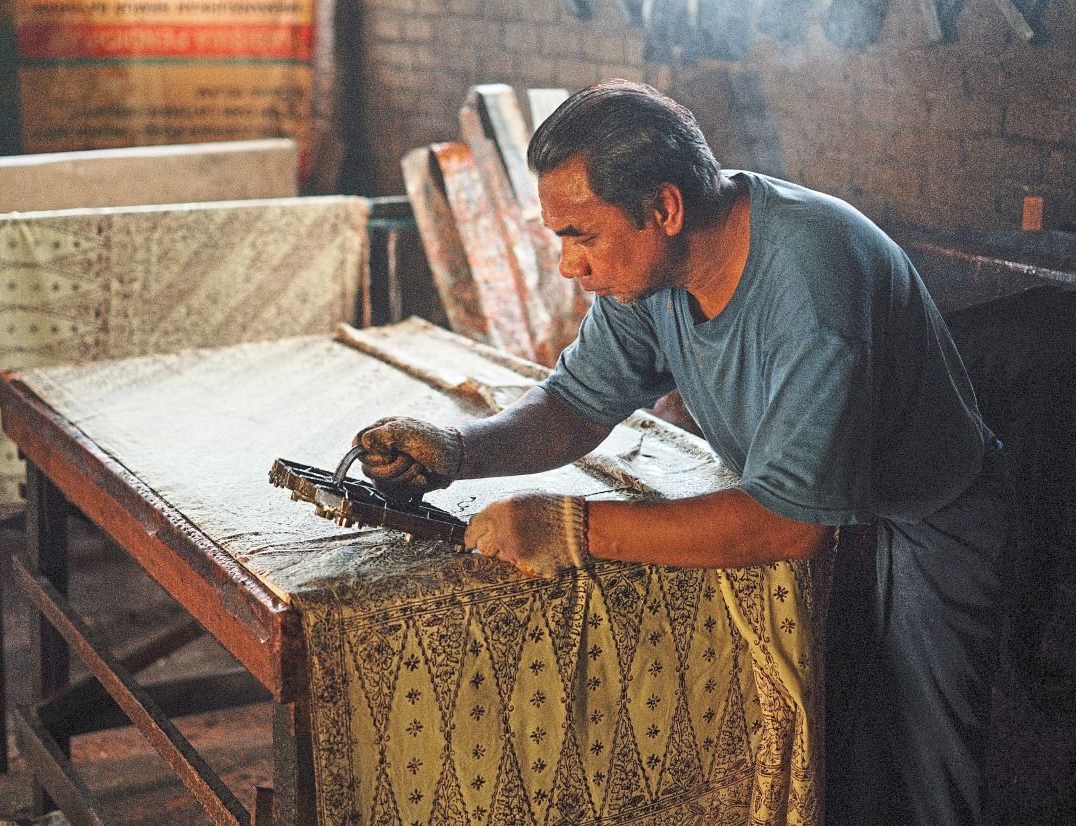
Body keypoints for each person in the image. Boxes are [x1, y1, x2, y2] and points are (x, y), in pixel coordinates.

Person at [352, 80, 1007, 826]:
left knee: (924, 759)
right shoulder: (652, 277)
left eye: (581, 235)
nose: (569, 265)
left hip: (927, 517)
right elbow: (573, 404)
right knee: (826, 748)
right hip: (826, 509)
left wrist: (571, 528)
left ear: (663, 208)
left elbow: (788, 523)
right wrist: (456, 450)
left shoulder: (811, 281)